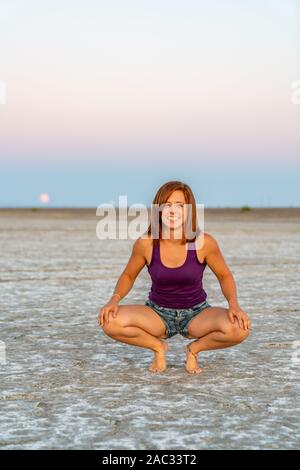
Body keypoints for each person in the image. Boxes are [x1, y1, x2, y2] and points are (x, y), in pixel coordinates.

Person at [98, 180, 251, 374]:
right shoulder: (146, 243)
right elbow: (128, 275)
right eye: (167, 205)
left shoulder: (204, 242)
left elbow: (224, 275)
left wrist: (234, 305)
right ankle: (158, 348)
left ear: (189, 210)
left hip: (197, 314)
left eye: (179, 205)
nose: (173, 211)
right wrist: (114, 300)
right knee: (109, 321)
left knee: (240, 328)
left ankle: (194, 350)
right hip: (157, 314)